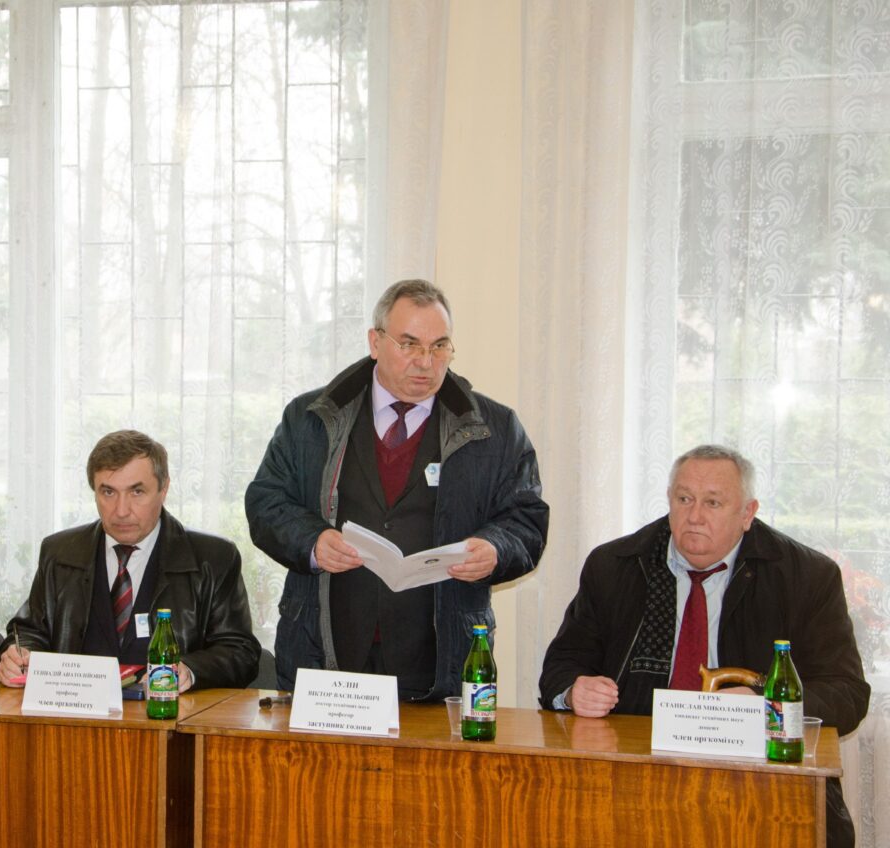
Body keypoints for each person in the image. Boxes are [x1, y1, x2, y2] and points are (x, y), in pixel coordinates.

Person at [539, 444, 869, 848]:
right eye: (684, 499)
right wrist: (574, 690)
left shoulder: (806, 577)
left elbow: (847, 695)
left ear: (747, 513)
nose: (694, 516)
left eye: (713, 503)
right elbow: (560, 667)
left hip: (758, 783)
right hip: (633, 775)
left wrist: (765, 703)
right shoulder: (616, 565)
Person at [244, 279, 549, 699]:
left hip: (440, 659)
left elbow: (527, 520)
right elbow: (266, 503)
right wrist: (312, 542)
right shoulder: (311, 419)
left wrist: (496, 549)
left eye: (439, 346)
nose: (425, 362)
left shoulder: (494, 429)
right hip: (325, 651)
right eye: (409, 344)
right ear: (375, 342)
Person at [0, 430, 259, 691]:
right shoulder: (60, 553)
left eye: (136, 492)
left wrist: (189, 670)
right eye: (108, 492)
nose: (121, 511)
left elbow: (239, 651)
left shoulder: (212, 559)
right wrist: (20, 657)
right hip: (75, 708)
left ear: (164, 489)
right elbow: (29, 632)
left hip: (170, 711)